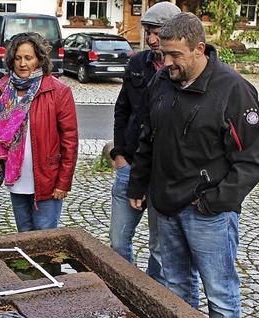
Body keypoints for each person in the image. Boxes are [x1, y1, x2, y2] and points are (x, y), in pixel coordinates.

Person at [127, 12, 259, 318]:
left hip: (208, 213)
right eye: (163, 54)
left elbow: (251, 162)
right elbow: (149, 136)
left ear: (199, 49)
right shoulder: (162, 82)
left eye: (176, 55)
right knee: (177, 287)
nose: (167, 62)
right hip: (166, 204)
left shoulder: (234, 90)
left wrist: (214, 203)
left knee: (220, 295)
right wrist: (138, 182)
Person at [110, 1, 180, 285]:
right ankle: (127, 289)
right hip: (130, 164)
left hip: (162, 174)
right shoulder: (138, 63)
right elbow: (122, 108)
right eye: (148, 32)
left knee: (160, 252)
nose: (151, 39)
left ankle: (153, 298)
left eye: (157, 32)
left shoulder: (181, 69)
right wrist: (118, 155)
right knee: (117, 242)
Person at [0, 32, 78, 232]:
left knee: (45, 239)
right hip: (16, 178)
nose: (22, 63)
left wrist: (63, 182)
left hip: (46, 179)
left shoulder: (58, 91)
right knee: (23, 236)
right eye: (18, 58)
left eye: (28, 58)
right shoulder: (0, 90)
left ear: (39, 59)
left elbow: (70, 140)